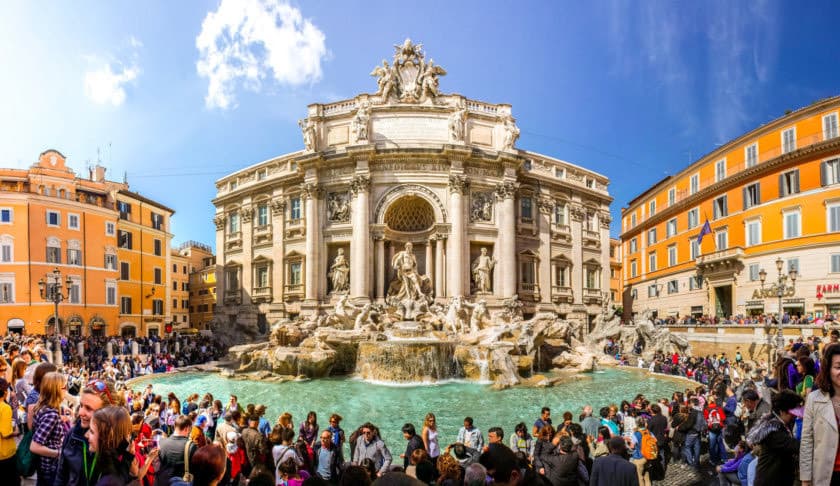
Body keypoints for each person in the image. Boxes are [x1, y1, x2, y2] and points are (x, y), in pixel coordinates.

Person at [56, 379, 121, 486]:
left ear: (108, 412)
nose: (81, 412)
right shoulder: (72, 435)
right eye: (81, 405)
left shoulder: (118, 443)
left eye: (89, 408)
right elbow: (61, 475)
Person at [800, 343, 840, 486]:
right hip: (825, 475)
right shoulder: (814, 399)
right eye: (838, 367)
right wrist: (805, 479)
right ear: (828, 369)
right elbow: (806, 441)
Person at [746, 389, 803, 486]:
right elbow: (797, 446)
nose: (795, 416)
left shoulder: (779, 423)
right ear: (782, 411)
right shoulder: (772, 431)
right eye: (793, 413)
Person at [30, 371, 67, 486]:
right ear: (56, 390)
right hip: (52, 468)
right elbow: (34, 447)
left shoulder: (42, 406)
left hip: (43, 466)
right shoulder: (51, 414)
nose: (67, 389)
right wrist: (59, 453)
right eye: (65, 387)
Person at [85, 406, 135, 485]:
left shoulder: (108, 481)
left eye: (91, 431)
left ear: (107, 438)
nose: (86, 435)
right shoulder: (115, 465)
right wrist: (127, 458)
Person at [156, 415, 198, 485]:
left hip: (163, 482)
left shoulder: (161, 442)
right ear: (187, 428)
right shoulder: (191, 446)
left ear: (175, 426)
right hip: (182, 482)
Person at [0, 378, 19, 486]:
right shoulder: (5, 408)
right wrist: (16, 431)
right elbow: (6, 433)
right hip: (5, 454)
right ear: (5, 392)